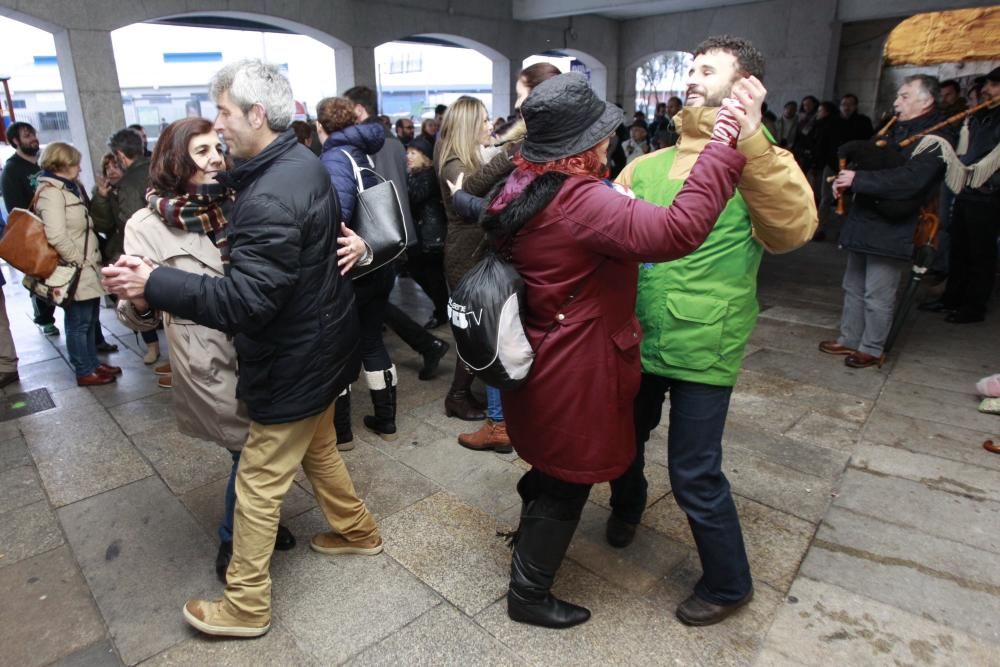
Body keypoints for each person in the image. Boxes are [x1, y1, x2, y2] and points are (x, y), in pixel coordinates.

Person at [102, 59, 379, 639]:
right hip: (322, 349)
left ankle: (247, 605)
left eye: (225, 113)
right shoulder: (297, 163)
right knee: (321, 450)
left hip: (294, 359)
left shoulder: (271, 193)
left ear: (257, 114)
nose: (220, 126)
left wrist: (153, 281)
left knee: (256, 483)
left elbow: (248, 301)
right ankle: (357, 532)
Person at [483, 71, 749, 629]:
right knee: (568, 475)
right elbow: (678, 230)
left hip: (543, 351)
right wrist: (723, 149)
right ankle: (528, 594)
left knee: (552, 462)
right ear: (586, 146)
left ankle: (529, 548)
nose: (608, 141)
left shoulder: (523, 184)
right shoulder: (581, 200)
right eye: (601, 134)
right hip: (577, 363)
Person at [608, 36, 816, 628]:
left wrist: (749, 138)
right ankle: (627, 509)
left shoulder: (756, 161)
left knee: (695, 471)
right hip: (639, 337)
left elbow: (793, 231)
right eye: (692, 69)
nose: (694, 77)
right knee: (623, 443)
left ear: (743, 82)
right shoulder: (647, 163)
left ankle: (730, 582)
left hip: (705, 343)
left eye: (709, 69)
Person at [115, 117, 295, 583]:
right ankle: (236, 539)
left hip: (262, 343)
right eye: (201, 152)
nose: (216, 157)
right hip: (208, 355)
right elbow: (140, 316)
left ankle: (260, 525)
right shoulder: (144, 226)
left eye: (217, 147)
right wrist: (137, 299)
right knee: (248, 449)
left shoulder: (241, 200)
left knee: (264, 446)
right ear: (175, 161)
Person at [447, 62, 562, 452]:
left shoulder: (533, 146)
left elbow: (498, 202)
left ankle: (501, 421)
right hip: (482, 252)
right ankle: (498, 418)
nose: (514, 104)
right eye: (480, 119)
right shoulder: (460, 158)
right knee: (497, 330)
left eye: (520, 94)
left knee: (506, 333)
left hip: (512, 249)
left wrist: (466, 197)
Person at [822, 74, 953, 367]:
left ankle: (872, 346)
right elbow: (868, 159)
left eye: (905, 96)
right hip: (864, 217)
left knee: (878, 291)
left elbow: (910, 180)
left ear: (926, 100)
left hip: (894, 223)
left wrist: (859, 179)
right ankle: (849, 338)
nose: (896, 102)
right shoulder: (893, 129)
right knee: (853, 285)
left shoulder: (936, 139)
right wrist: (843, 179)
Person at [316, 95, 399, 443]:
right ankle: (386, 419)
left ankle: (342, 432)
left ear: (321, 127)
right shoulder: (361, 151)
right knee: (371, 340)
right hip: (378, 261)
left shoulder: (335, 156)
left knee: (339, 348)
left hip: (354, 266)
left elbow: (339, 214)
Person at [35, 143, 121, 386]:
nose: (79, 167)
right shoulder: (52, 192)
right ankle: (84, 370)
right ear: (59, 164)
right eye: (75, 163)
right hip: (75, 268)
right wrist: (79, 260)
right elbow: (56, 235)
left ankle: (92, 364)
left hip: (85, 265)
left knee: (90, 319)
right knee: (78, 322)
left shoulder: (70, 188)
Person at [435, 96, 494, 424]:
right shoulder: (453, 163)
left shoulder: (470, 157)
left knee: (478, 328)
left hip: (474, 254)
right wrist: (511, 159)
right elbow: (470, 193)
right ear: (470, 125)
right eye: (484, 121)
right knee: (474, 331)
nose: (490, 126)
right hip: (464, 257)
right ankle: (456, 395)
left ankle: (462, 392)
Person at [936, 67, 1000, 323]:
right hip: (967, 191)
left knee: (980, 254)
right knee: (959, 249)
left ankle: (973, 307)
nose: (987, 92)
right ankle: (951, 298)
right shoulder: (981, 117)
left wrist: (986, 182)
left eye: (994, 87)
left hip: (987, 195)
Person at [108, 128, 162, 365]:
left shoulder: (129, 182)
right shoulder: (160, 168)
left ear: (120, 155)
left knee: (142, 300)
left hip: (148, 252)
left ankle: (153, 348)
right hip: (172, 247)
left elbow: (129, 221)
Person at [1, 121, 59, 337]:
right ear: (15, 141)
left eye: (33, 133)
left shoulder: (42, 164)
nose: (33, 138)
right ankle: (44, 318)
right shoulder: (12, 170)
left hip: (54, 228)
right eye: (27, 135)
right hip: (34, 233)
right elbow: (15, 209)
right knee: (41, 277)